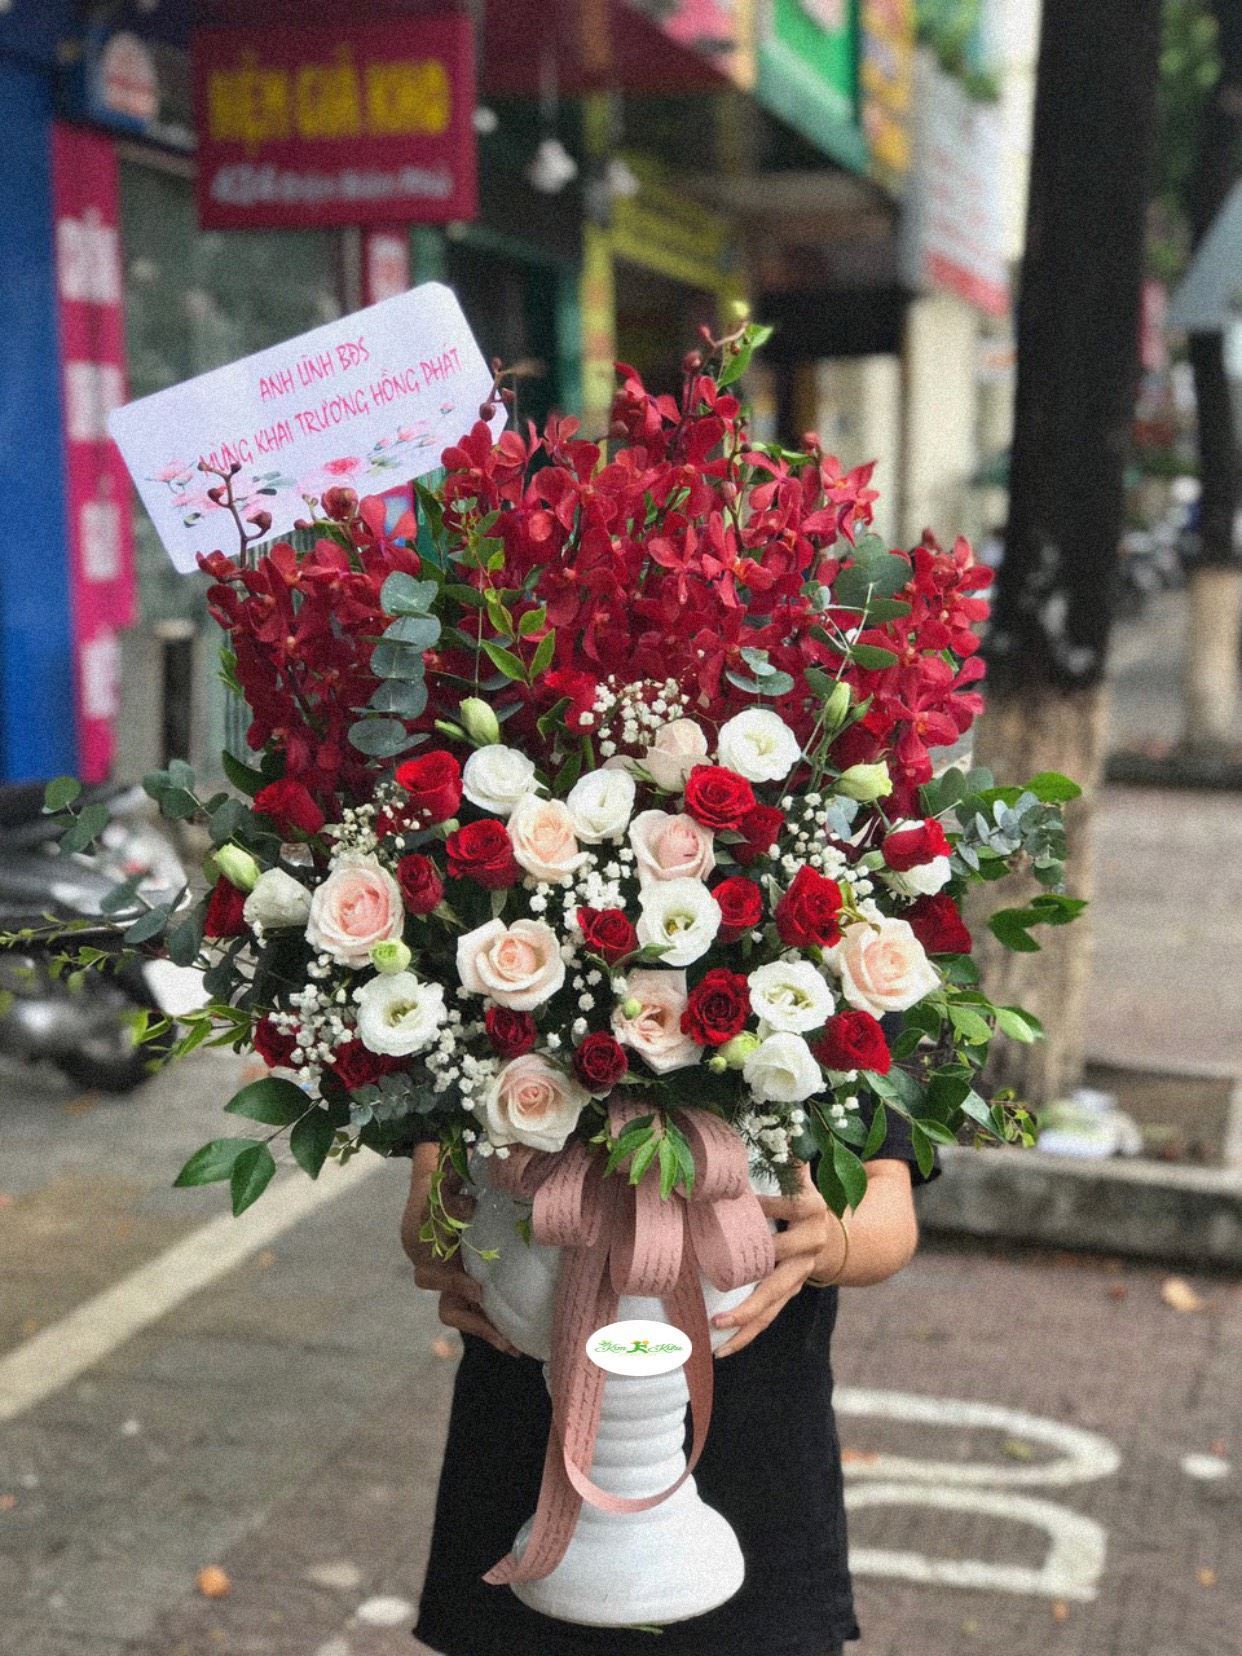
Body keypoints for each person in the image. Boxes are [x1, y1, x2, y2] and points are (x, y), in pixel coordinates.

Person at [403, 1113, 932, 1656]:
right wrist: (442, 1234)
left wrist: (822, 1241)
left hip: (755, 1453)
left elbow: (888, 1208)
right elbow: (433, 1174)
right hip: (520, 1447)